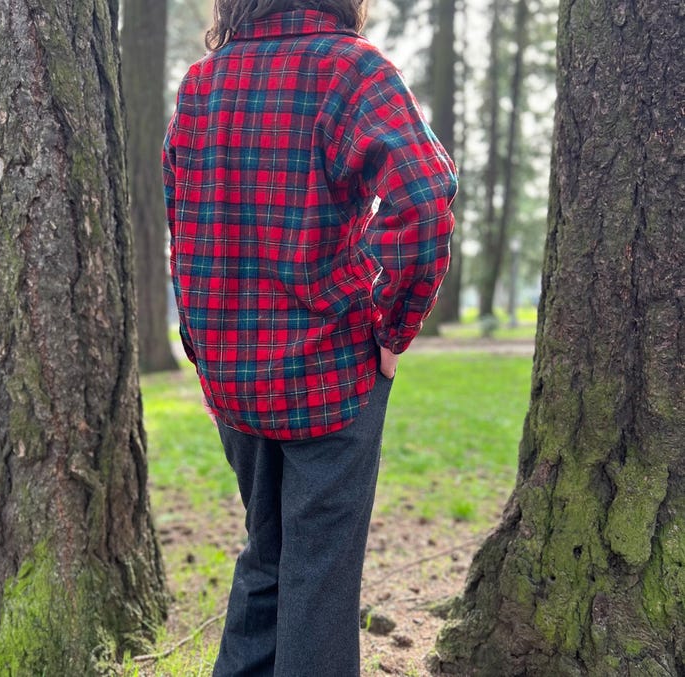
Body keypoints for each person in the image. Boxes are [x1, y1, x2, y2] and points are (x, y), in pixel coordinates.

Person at [162, 1, 457, 674]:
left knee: (267, 554)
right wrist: (394, 321)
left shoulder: (204, 83)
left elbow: (182, 216)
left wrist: (204, 343)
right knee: (317, 571)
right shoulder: (352, 71)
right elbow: (424, 192)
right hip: (331, 367)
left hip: (234, 372)